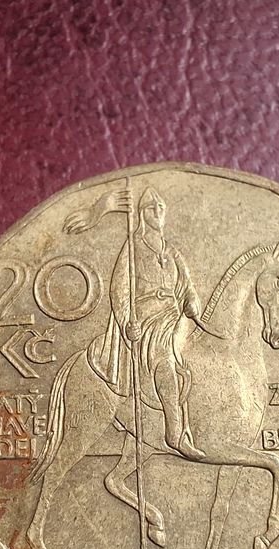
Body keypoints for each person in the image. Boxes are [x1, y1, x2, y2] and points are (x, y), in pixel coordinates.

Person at [87, 186, 206, 460]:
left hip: (173, 315)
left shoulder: (172, 251)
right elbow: (119, 289)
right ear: (142, 214)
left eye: (161, 208)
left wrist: (191, 300)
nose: (158, 213)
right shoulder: (133, 248)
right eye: (152, 209)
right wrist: (126, 321)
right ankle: (175, 433)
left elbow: (187, 284)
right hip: (147, 319)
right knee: (164, 359)